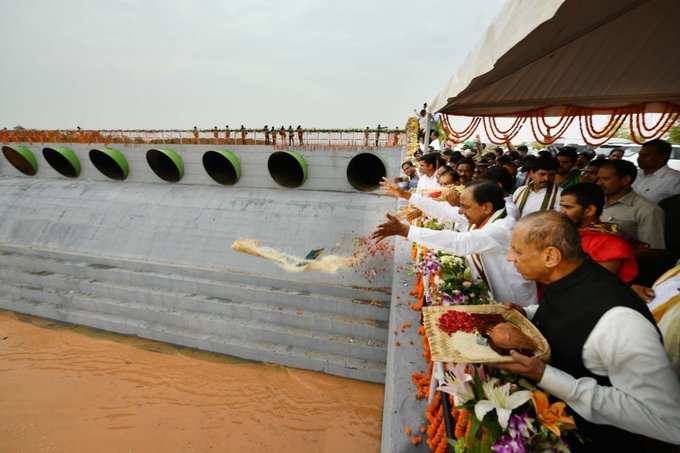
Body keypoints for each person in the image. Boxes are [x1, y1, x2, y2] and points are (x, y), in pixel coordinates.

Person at [498, 211, 680, 451]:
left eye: (517, 251)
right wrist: (528, 314)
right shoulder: (569, 275)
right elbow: (566, 310)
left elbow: (667, 421)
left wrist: (546, 376)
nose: (510, 258)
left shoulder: (621, 323)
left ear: (551, 256)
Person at [373, 181, 536, 305]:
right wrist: (405, 194)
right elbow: (445, 211)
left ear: (486, 207)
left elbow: (459, 243)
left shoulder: (501, 228)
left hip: (514, 298)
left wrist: (406, 231)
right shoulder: (488, 214)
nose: (460, 210)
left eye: (465, 206)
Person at [560, 183, 637, 283]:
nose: (561, 212)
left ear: (589, 210)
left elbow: (596, 283)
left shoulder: (611, 243)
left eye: (568, 207)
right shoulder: (564, 231)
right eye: (561, 206)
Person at [598, 160, 665, 249]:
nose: (599, 183)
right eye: (598, 178)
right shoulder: (595, 201)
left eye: (606, 179)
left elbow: (652, 250)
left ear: (625, 180)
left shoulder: (648, 210)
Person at [632, 138, 680, 203]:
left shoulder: (676, 180)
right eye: (640, 154)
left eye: (646, 155)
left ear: (663, 156)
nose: (639, 158)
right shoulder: (635, 174)